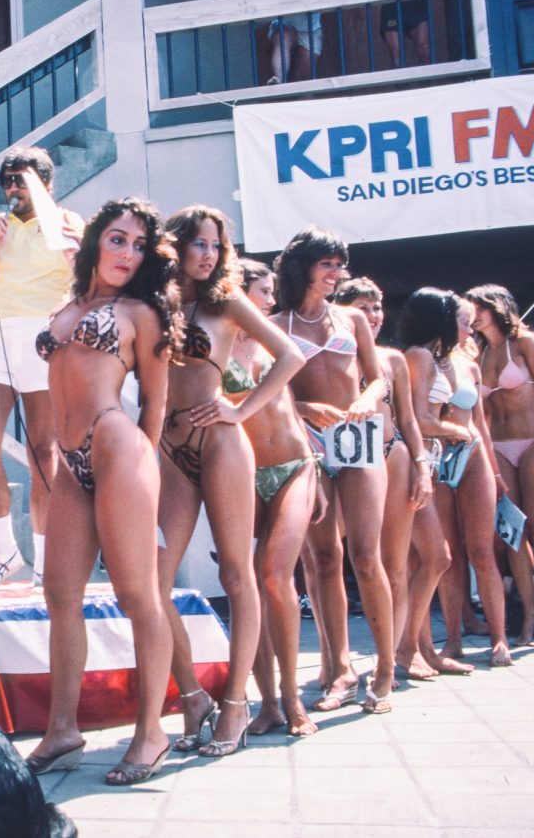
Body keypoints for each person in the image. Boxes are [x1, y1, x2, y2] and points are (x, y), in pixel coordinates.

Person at [24, 198, 181, 786]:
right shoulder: (68, 306)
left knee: (137, 593)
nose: (127, 253)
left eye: (139, 245)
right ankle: (62, 730)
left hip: (118, 445)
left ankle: (151, 733)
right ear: (95, 243)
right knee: (60, 593)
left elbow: (158, 400)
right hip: (71, 461)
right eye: (117, 239)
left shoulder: (141, 312)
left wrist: (142, 465)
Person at [156, 209, 304, 754]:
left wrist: (240, 411)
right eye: (197, 243)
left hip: (221, 444)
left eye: (216, 245)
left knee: (239, 575)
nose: (207, 254)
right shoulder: (156, 302)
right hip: (169, 449)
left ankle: (237, 705)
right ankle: (193, 696)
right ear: (174, 247)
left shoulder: (226, 303)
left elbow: (291, 356)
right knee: (153, 581)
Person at [277, 227, 395, 713]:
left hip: (359, 435)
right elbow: (272, 390)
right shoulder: (275, 322)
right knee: (324, 558)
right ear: (303, 265)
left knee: (367, 556)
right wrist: (304, 407)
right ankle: (339, 667)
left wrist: (368, 398)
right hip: (308, 440)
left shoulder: (350, 318)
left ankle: (384, 669)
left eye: (338, 265)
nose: (335, 273)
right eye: (327, 263)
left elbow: (378, 377)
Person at [0, 147, 84, 589]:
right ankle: (3, 551)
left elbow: (86, 286)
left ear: (46, 184)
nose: (13, 189)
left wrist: (70, 252)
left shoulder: (68, 224)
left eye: (22, 180)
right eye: (8, 181)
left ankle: (46, 561)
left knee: (42, 453)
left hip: (43, 338)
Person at [224, 259, 322, 738]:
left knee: (275, 575)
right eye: (263, 292)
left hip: (293, 465)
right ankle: (267, 704)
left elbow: (288, 408)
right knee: (247, 583)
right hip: (243, 472)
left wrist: (316, 469)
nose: (271, 300)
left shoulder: (270, 340)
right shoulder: (215, 340)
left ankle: (292, 698)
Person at [397, 290, 504, 673]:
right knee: (429, 558)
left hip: (433, 459)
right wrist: (457, 432)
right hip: (415, 461)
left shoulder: (438, 357)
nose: (469, 327)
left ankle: (419, 649)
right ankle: (409, 648)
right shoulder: (419, 356)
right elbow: (418, 418)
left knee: (433, 558)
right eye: (461, 320)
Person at [333, 279, 435, 680]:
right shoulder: (331, 356)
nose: (374, 316)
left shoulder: (392, 360)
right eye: (365, 307)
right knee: (331, 558)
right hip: (344, 457)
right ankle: (335, 661)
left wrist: (423, 467)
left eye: (377, 308)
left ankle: (387, 661)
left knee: (394, 563)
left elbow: (409, 419)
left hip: (393, 454)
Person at [467, 284, 534, 647]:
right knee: (513, 533)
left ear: (497, 308)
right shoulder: (478, 353)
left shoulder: (524, 342)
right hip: (499, 446)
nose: (473, 314)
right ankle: (530, 612)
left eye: (478, 308)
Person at [263, 0, 332, 84]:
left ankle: (306, 97)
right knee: (282, 39)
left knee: (307, 70)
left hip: (311, 25)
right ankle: (278, 80)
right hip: (285, 19)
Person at [380, 0, 431, 67]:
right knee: (396, 52)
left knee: (424, 47)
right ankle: (401, 76)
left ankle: (426, 76)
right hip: (391, 4)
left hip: (416, 1)